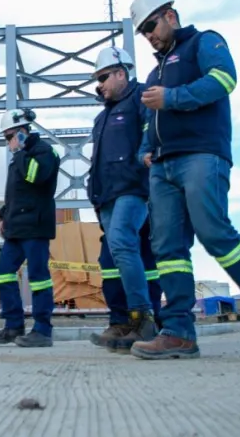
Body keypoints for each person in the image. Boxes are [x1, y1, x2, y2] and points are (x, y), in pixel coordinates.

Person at [128, 0, 240, 360]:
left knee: (215, 232)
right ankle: (179, 331)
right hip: (164, 166)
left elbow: (223, 80)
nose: (149, 36)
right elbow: (148, 123)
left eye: (151, 26)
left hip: (202, 154)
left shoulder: (206, 42)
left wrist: (171, 98)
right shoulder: (156, 71)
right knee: (168, 250)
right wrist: (144, 150)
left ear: (170, 15)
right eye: (142, 32)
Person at [86, 46, 162, 351]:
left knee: (122, 243)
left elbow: (153, 134)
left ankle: (143, 319)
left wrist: (147, 158)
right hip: (106, 196)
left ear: (121, 73)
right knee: (111, 259)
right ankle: (121, 323)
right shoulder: (101, 118)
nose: (100, 84)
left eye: (104, 77)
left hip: (133, 189)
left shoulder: (142, 99)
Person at [0, 107, 61, 347]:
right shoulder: (19, 156)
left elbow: (35, 177)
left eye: (9, 136)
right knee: (4, 273)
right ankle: (13, 325)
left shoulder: (43, 152)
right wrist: (3, 216)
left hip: (35, 227)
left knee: (39, 278)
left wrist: (19, 151)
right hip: (16, 228)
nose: (7, 141)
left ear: (21, 132)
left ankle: (42, 329)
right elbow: (15, 194)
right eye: (6, 137)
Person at [93, 219, 164, 351]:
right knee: (111, 267)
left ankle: (147, 323)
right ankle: (120, 322)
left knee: (146, 267)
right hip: (109, 207)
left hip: (145, 214)